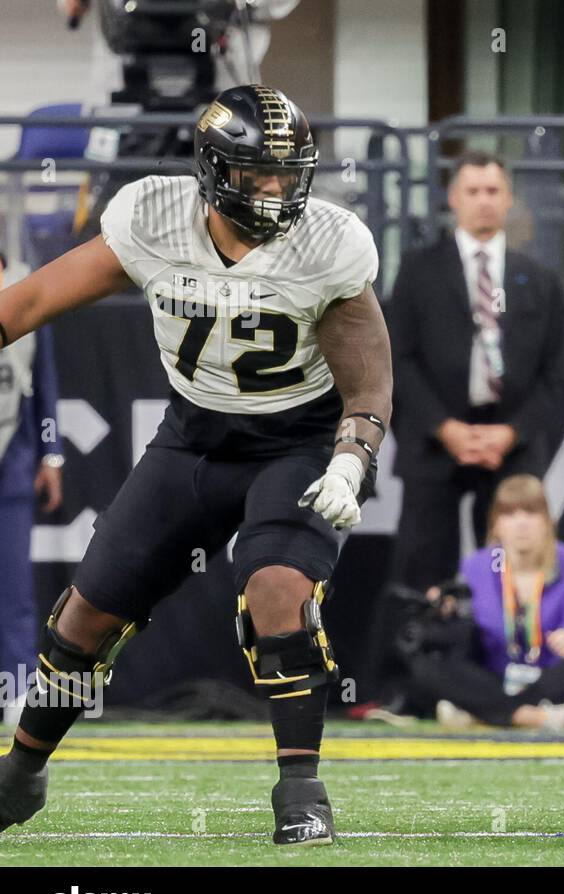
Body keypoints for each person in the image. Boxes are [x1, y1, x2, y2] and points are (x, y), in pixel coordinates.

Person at [0, 85, 390, 847]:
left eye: (288, 171)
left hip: (297, 438)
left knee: (278, 590)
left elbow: (369, 382)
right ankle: (22, 771)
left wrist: (352, 457)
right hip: (194, 438)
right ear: (213, 172)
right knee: (86, 614)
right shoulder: (154, 218)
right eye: (258, 174)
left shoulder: (329, 241)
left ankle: (302, 792)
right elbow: (30, 301)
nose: (277, 189)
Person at [387, 151, 564, 592]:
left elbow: (556, 373)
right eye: (473, 191)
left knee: (517, 569)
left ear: (509, 200)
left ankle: (517, 654)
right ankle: (425, 657)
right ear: (453, 198)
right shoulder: (417, 271)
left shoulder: (541, 280)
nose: (483, 200)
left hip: (513, 442)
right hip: (434, 438)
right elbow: (397, 359)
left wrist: (511, 433)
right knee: (423, 571)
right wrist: (445, 428)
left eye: (493, 191)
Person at [397, 475, 564, 730]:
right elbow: (463, 634)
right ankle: (537, 718)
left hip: (553, 675)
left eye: (531, 513)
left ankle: (482, 714)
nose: (521, 524)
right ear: (496, 525)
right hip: (495, 676)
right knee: (427, 665)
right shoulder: (476, 567)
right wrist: (445, 612)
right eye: (510, 514)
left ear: (549, 521)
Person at [0, 252, 65, 728]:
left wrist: (51, 453)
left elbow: (44, 382)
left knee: (13, 587)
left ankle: (17, 687)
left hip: (13, 458)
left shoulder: (26, 287)